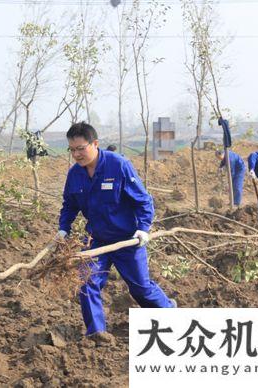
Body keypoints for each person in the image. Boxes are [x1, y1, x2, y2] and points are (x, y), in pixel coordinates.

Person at [57, 122, 175, 338]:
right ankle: (96, 333)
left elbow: (143, 200)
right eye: (72, 150)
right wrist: (63, 228)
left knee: (141, 289)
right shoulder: (75, 174)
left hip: (126, 240)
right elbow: (69, 204)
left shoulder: (118, 165)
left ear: (95, 144)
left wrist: (143, 228)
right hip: (97, 240)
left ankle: (169, 313)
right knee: (86, 281)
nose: (76, 154)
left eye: (81, 148)